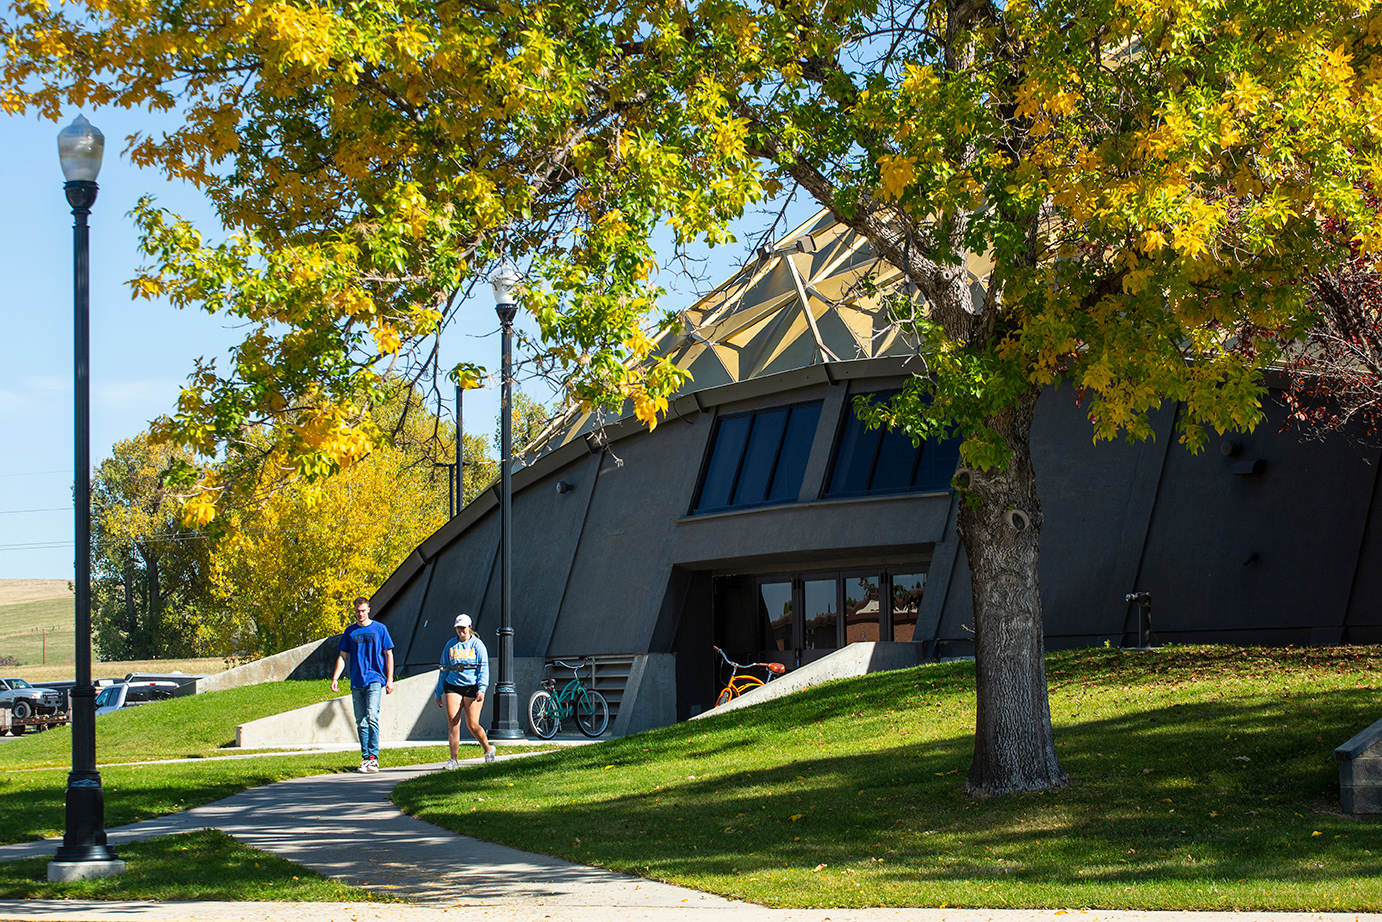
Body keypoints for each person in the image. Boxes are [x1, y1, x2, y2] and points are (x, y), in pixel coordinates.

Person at [331, 596, 395, 773]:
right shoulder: (350, 632)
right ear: (354, 612)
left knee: (372, 716)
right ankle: (366, 758)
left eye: (363, 611)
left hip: (375, 679)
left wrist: (390, 680)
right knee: (361, 721)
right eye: (358, 611)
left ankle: (374, 757)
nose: (360, 614)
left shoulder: (380, 629)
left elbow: (388, 654)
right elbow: (343, 656)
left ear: (368, 610)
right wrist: (336, 677)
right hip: (357, 680)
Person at [435, 613, 496, 767]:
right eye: (458, 628)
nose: (460, 631)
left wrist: (482, 689)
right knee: (453, 721)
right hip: (453, 686)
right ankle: (453, 759)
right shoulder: (450, 645)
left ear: (469, 627)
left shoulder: (477, 645)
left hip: (472, 686)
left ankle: (488, 749)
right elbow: (443, 669)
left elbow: (484, 669)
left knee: (472, 724)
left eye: (463, 628)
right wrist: (439, 691)